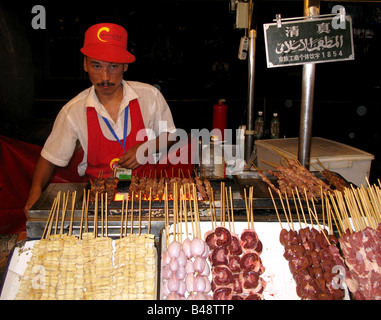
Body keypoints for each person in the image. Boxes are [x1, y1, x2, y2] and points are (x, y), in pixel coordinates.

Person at [24, 23, 177, 213]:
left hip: (145, 199)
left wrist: (146, 147)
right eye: (96, 66)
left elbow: (171, 135)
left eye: (113, 66)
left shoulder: (149, 96)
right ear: (85, 64)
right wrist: (34, 193)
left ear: (125, 66)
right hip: (97, 205)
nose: (105, 77)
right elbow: (49, 157)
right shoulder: (74, 110)